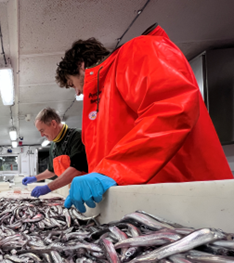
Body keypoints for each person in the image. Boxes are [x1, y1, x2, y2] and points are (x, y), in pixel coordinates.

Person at [55, 23, 233, 213]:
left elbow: (171, 109)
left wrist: (111, 170)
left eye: (72, 83)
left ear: (80, 66)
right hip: (154, 206)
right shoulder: (104, 95)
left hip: (192, 200)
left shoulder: (137, 51)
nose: (77, 91)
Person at [22, 107, 88, 198]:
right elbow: (51, 171)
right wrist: (35, 178)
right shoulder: (54, 145)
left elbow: (76, 169)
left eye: (42, 130)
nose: (41, 135)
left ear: (53, 124)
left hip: (86, 191)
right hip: (68, 192)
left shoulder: (77, 136)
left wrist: (48, 187)